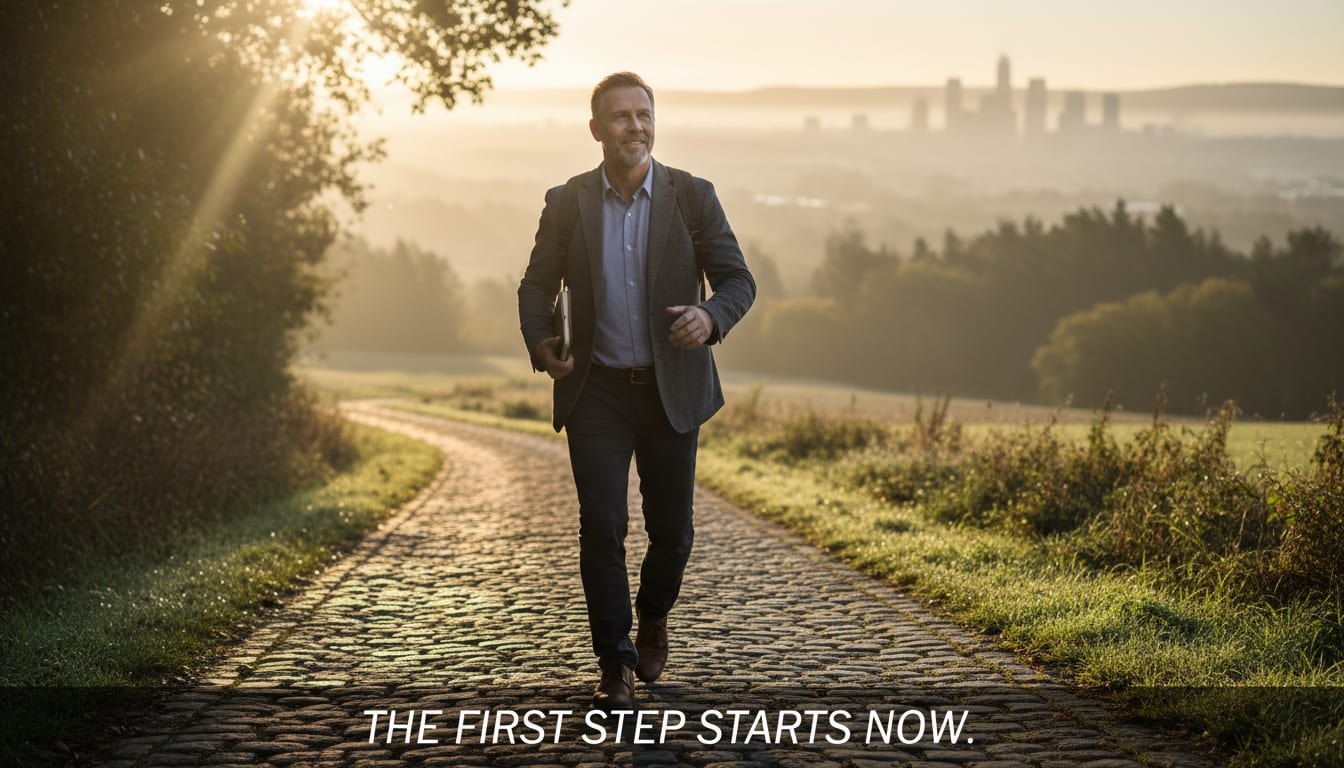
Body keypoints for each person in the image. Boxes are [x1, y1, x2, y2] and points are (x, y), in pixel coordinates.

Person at [517, 72, 756, 709]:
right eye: (620, 117)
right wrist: (543, 346)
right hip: (595, 390)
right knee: (602, 527)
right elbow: (536, 288)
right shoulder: (567, 202)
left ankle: (654, 613)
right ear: (596, 130)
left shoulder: (693, 196)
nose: (635, 126)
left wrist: (710, 317)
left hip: (670, 392)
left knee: (673, 532)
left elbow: (738, 281)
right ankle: (615, 662)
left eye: (643, 114)